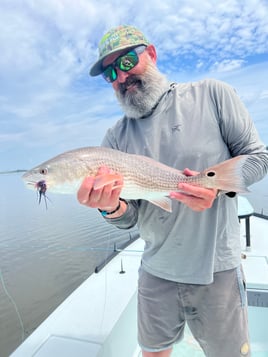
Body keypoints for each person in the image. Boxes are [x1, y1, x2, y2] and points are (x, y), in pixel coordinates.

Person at [77, 25, 268, 357]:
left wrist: (217, 189)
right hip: (155, 272)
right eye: (110, 73)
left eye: (125, 63)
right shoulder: (114, 140)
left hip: (217, 270)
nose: (120, 78)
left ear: (151, 53)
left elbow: (258, 157)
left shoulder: (212, 94)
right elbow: (132, 216)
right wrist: (112, 209)